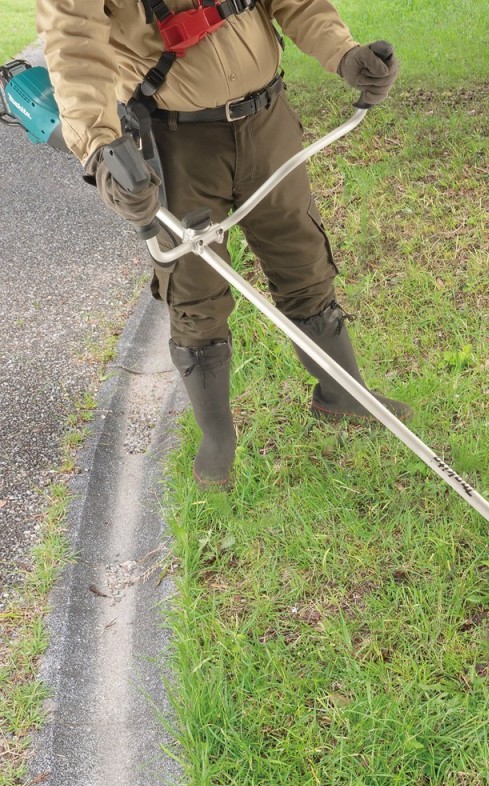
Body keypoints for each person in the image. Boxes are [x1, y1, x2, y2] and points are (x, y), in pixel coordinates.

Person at [36, 0, 412, 491]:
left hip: (268, 119)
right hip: (174, 139)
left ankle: (343, 394)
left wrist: (342, 52)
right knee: (194, 292)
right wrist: (100, 149)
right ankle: (217, 440)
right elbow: (73, 45)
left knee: (304, 259)